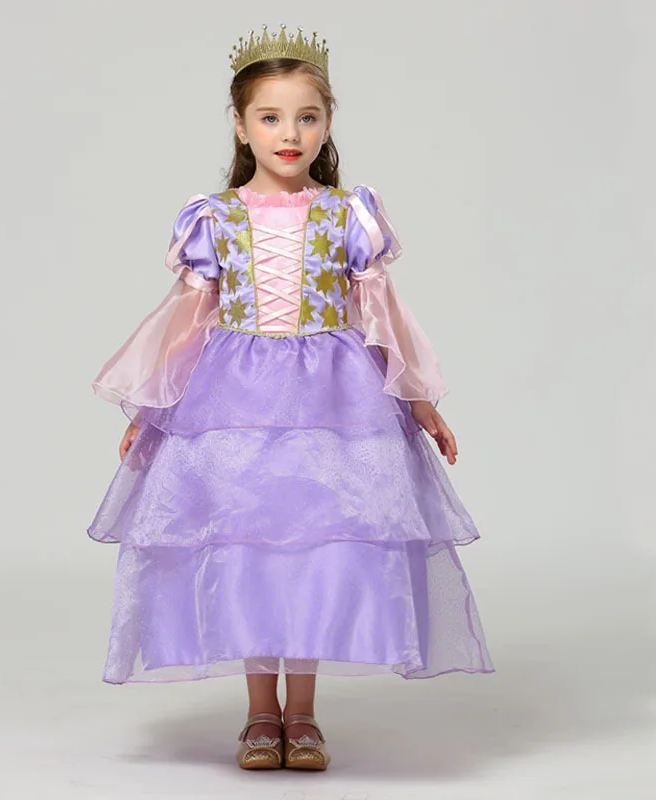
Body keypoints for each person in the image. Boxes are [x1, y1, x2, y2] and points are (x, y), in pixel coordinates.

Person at [86, 24, 494, 772]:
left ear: (328, 123)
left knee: (310, 550)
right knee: (248, 549)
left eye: (307, 117)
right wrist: (151, 408)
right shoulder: (216, 218)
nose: (289, 133)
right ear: (241, 127)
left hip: (333, 402)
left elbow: (383, 318)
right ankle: (258, 713)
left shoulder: (347, 215)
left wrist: (420, 400)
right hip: (233, 402)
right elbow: (187, 322)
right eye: (270, 117)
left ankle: (301, 714)